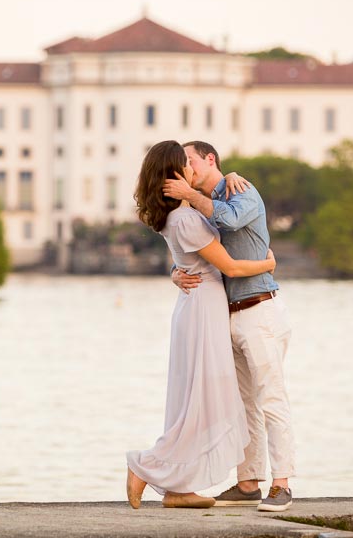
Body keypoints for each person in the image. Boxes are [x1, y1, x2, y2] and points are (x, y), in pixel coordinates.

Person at [125, 140, 276, 510]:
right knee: (203, 401)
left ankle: (178, 488)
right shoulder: (188, 218)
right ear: (176, 173)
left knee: (195, 400)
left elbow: (207, 227)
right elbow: (232, 267)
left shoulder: (174, 215)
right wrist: (269, 264)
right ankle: (147, 466)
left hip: (196, 306)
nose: (193, 170)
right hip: (205, 307)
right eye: (186, 165)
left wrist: (228, 178)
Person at [163, 140, 295, 513]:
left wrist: (191, 193)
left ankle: (282, 483)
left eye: (189, 161)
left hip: (260, 310)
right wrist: (176, 273)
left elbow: (232, 220)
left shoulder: (243, 189)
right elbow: (192, 248)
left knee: (271, 397)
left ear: (210, 160)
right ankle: (248, 482)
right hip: (226, 314)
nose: (184, 169)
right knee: (242, 404)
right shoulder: (197, 209)